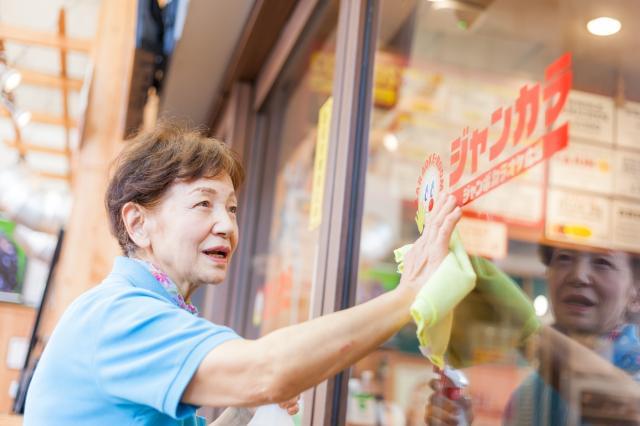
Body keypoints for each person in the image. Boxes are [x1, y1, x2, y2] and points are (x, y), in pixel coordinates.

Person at [23, 123, 462, 425]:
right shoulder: (121, 316)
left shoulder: (145, 309)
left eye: (231, 208)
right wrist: (409, 295)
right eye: (203, 204)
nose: (226, 225)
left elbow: (260, 378)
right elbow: (266, 369)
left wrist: (242, 411)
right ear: (138, 224)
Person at [424, 245, 640, 425]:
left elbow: (629, 406)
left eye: (603, 262)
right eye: (564, 258)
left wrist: (528, 333)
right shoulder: (528, 394)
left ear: (636, 293)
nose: (578, 276)